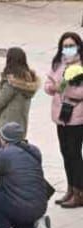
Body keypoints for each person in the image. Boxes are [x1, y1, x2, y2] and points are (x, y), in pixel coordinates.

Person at [44, 31, 83, 207]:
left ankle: (79, 191)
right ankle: (70, 188)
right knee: (65, 152)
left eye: (71, 46)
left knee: (75, 154)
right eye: (65, 46)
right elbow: (47, 85)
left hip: (77, 114)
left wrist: (65, 88)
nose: (68, 49)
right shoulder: (58, 63)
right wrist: (53, 87)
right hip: (61, 115)